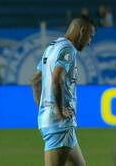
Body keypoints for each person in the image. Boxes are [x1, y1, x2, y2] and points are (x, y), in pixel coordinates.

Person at [30, 16, 96, 166]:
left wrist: (44, 108)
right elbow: (57, 79)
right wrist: (59, 111)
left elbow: (35, 81)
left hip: (56, 124)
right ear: (82, 31)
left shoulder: (51, 47)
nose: (90, 41)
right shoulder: (68, 49)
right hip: (59, 124)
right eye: (90, 36)